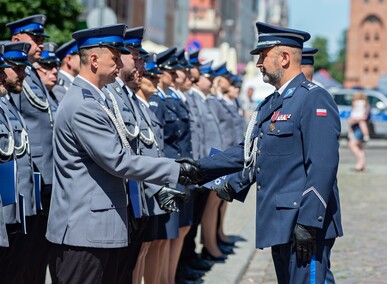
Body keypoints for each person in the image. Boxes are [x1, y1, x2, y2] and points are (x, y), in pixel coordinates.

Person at [184, 22, 343, 284]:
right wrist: (199, 168)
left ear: (284, 57)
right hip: (280, 222)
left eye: (263, 55)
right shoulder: (273, 103)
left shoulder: (314, 99)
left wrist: (309, 221)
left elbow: (322, 166)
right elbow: (248, 153)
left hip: (303, 223)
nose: (258, 63)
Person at [44, 24, 198, 284]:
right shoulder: (83, 105)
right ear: (94, 60)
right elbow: (118, 160)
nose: (119, 64)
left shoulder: (97, 99)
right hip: (84, 234)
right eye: (114, 58)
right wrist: (176, 170)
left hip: (96, 230)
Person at [347, 92, 370, 171]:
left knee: (352, 144)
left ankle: (360, 163)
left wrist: (354, 120)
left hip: (358, 127)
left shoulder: (360, 104)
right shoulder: (366, 104)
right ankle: (362, 165)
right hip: (358, 127)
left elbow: (362, 117)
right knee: (360, 147)